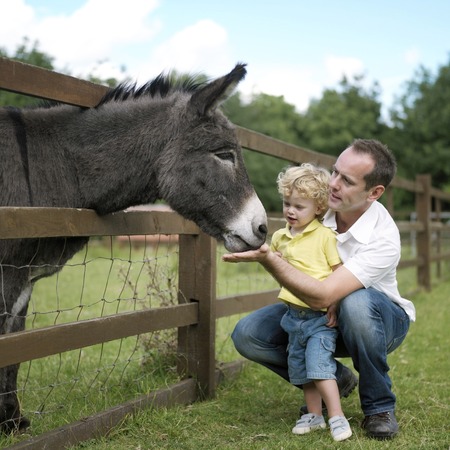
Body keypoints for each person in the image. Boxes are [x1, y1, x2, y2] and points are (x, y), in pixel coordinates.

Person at [223, 138, 415, 440]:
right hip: (314, 316)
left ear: (374, 193)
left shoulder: (383, 238)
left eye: (347, 180)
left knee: (354, 302)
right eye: (335, 172)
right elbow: (296, 266)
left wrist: (270, 261)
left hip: (377, 322)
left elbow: (327, 294)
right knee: (248, 334)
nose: (333, 184)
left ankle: (379, 406)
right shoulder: (315, 207)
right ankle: (334, 381)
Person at [271, 163, 352, 442]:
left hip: (318, 318)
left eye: (299, 206)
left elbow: (337, 271)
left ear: (318, 208)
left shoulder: (324, 237)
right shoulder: (279, 237)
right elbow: (276, 269)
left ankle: (337, 416)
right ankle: (315, 415)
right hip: (293, 317)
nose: (290, 211)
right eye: (287, 203)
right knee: (302, 368)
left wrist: (335, 303)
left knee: (320, 367)